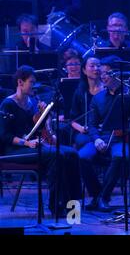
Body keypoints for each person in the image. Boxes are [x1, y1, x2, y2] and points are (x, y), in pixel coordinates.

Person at [0, 66, 81, 216]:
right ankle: (56, 205)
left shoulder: (32, 102)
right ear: (20, 82)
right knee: (57, 155)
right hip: (15, 150)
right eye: (31, 82)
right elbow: (4, 136)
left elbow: (39, 127)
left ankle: (73, 206)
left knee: (72, 153)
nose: (34, 86)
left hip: (34, 146)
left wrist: (43, 115)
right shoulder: (8, 104)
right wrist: (26, 143)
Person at [79, 56, 129, 211]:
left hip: (121, 139)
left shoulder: (128, 95)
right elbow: (92, 124)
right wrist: (96, 139)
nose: (103, 77)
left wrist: (127, 129)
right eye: (102, 74)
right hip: (102, 138)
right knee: (81, 156)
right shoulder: (98, 97)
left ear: (117, 74)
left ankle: (103, 197)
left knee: (120, 156)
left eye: (107, 73)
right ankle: (97, 195)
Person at [70, 56, 103, 149]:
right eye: (92, 66)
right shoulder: (80, 92)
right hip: (85, 132)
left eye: (98, 65)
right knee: (83, 141)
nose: (96, 68)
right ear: (84, 70)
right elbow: (72, 120)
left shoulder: (107, 90)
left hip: (103, 130)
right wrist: (80, 128)